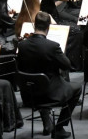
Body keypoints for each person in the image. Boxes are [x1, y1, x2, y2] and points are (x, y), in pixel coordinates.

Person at [17, 11, 82, 139]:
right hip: (50, 94)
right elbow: (67, 65)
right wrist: (60, 54)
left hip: (29, 95)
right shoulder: (52, 46)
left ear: (34, 25)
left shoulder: (22, 45)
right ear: (48, 27)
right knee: (77, 88)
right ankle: (59, 127)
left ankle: (47, 122)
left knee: (40, 83)